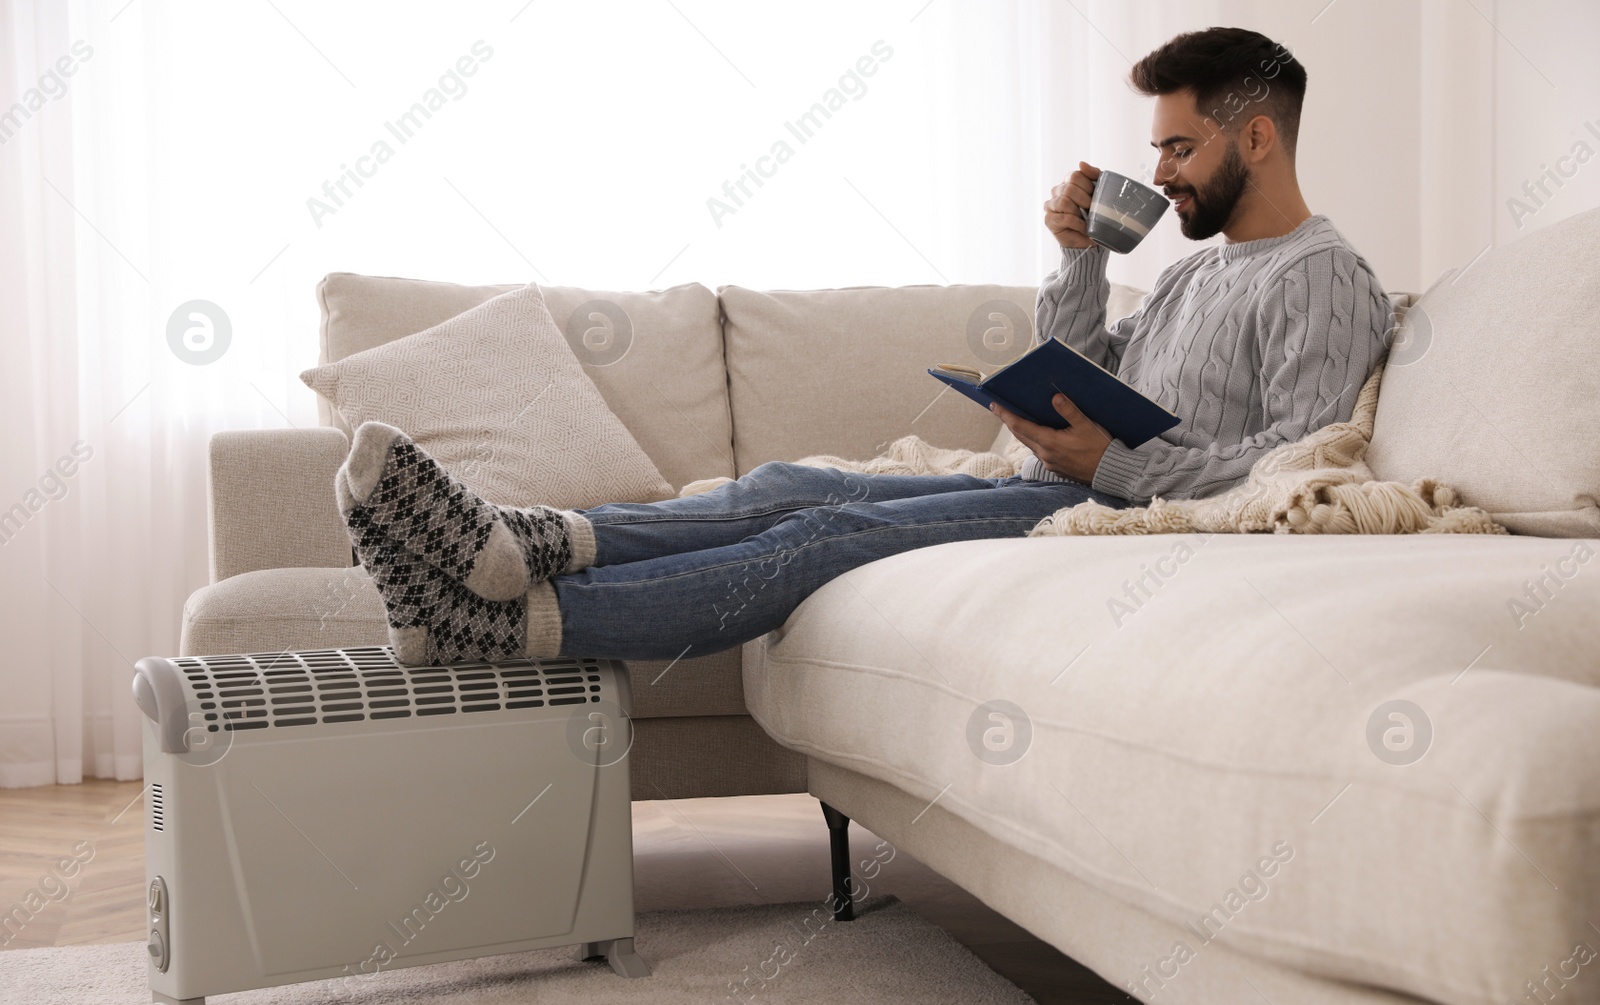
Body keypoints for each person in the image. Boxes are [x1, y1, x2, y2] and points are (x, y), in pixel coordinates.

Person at [337, 26, 1392, 667]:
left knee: (823, 538)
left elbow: (1296, 466)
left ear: (1256, 136)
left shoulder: (1320, 275)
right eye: (1155, 144)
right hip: (1072, 480)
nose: (1157, 169)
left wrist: (1106, 464)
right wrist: (1072, 256)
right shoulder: (1196, 268)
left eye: (1177, 143)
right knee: (799, 483)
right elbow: (1095, 368)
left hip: (1117, 512)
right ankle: (522, 544)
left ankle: (503, 623)